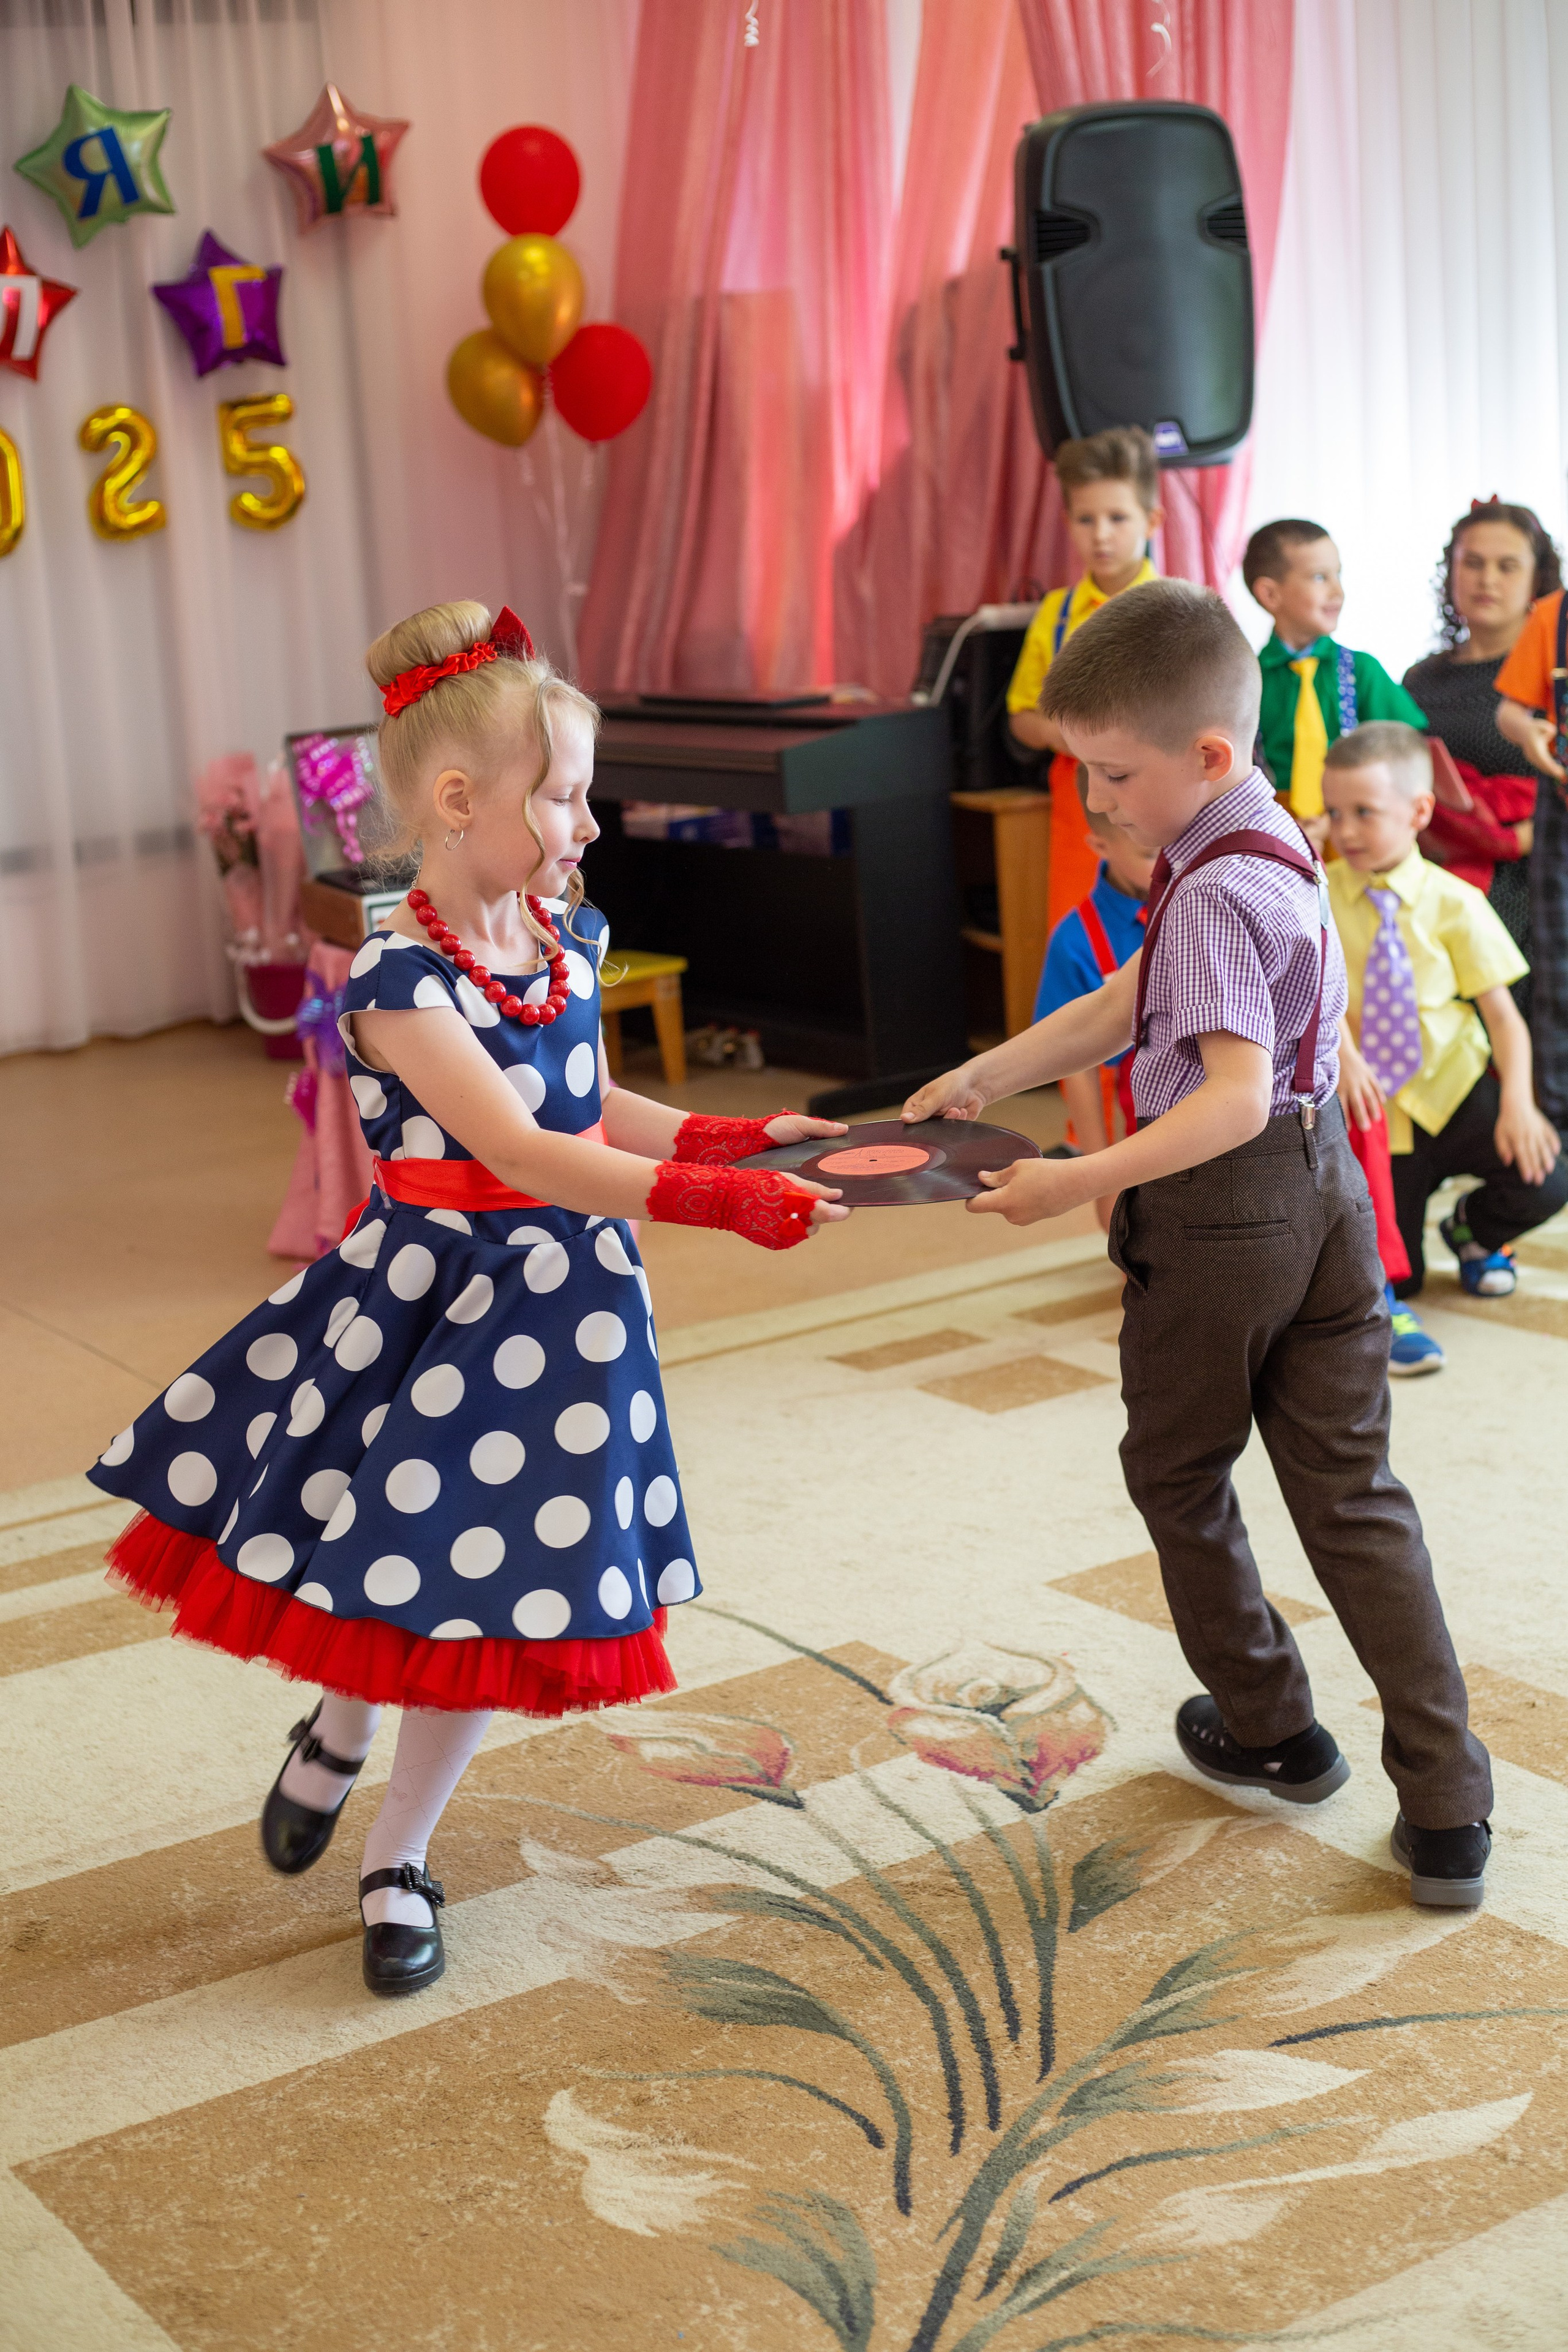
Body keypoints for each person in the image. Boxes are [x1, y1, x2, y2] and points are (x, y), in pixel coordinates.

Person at [88, 601, 848, 1999]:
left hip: (570, 1316)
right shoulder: (398, 977)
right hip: (435, 1307)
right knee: (393, 1564)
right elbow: (514, 1147)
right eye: (563, 795)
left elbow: (584, 1097)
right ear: (456, 800)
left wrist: (724, 1136)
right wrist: (706, 1201)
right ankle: (331, 1734)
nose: (588, 822)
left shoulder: (562, 937)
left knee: (484, 1605)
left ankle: (397, 1853)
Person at [903, 579, 1494, 1909]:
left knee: (1175, 1471)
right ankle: (1448, 1804)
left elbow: (1223, 1093)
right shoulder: (1256, 835)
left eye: (1111, 772)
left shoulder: (1210, 889)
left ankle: (1272, 1728)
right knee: (1351, 1499)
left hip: (1225, 1207)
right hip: (1327, 1198)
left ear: (1203, 755)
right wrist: (991, 1071)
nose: (1094, 799)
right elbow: (1135, 996)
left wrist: (1077, 1183)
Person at [1323, 722, 1567, 1305]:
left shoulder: (1457, 900)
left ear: (1419, 810)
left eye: (1365, 811)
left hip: (1452, 1087)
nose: (1346, 830)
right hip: (1374, 1110)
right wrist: (1345, 1057)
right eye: (1335, 813)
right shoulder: (1317, 895)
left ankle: (1473, 1231)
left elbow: (1504, 1017)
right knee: (1400, 1274)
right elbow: (1311, 996)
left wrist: (1518, 1103)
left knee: (1547, 1177)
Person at [1404, 500, 1562, 1009]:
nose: (1486, 579)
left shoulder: (1555, 678)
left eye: (1506, 565)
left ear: (1537, 578)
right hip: (1446, 884)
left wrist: (1522, 837)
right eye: (1473, 563)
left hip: (1544, 879)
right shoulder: (1421, 679)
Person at [1006, 425, 1162, 935]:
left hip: (1159, 797)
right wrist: (1060, 734)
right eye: (1086, 519)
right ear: (1066, 522)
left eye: (1118, 518)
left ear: (1152, 520)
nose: (1101, 534)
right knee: (1082, 933)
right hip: (1078, 807)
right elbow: (1022, 714)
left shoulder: (1176, 610)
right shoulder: (1056, 614)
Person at [1243, 519, 1427, 833]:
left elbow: (1408, 748)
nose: (1337, 591)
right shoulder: (1247, 680)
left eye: (1338, 574)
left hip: (1357, 827)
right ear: (1270, 594)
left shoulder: (1362, 670)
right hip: (1274, 829)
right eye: (1319, 577)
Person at [1032, 772, 1154, 1221]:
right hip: (1134, 1119)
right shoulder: (1075, 940)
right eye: (1147, 854)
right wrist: (1099, 1174)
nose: (1167, 863)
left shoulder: (1198, 902)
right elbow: (1075, 1067)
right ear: (1101, 848)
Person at [1490, 568, 1568, 1136]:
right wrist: (1531, 731)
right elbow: (1509, 710)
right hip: (1561, 814)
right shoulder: (1553, 615)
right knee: (1558, 972)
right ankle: (1560, 1124)